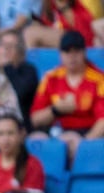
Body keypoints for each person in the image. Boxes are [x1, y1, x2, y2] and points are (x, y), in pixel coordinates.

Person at [29, 30, 104, 162]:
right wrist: (55, 110)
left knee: (71, 144)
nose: (72, 56)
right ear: (60, 54)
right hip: (56, 131)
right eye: (67, 52)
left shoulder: (99, 80)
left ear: (84, 52)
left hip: (87, 132)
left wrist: (84, 144)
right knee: (35, 139)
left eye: (76, 51)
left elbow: (102, 121)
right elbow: (35, 119)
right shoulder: (50, 78)